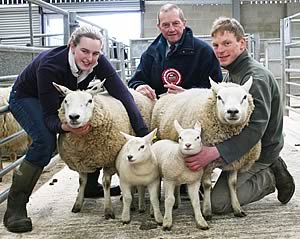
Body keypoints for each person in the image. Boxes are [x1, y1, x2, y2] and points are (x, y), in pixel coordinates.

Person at [3, 25, 148, 233]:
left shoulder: (97, 61)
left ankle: (90, 187)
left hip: (62, 96)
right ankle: (15, 209)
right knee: (45, 141)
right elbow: (49, 117)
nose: (90, 58)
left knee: (94, 126)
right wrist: (65, 127)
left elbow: (123, 95)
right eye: (84, 51)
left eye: (96, 53)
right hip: (29, 96)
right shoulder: (50, 66)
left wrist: (142, 132)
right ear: (72, 46)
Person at [184, 17, 295, 214]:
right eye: (216, 45)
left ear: (242, 43)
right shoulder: (232, 73)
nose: (220, 50)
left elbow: (255, 129)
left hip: (260, 150)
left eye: (227, 43)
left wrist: (214, 152)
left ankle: (270, 173)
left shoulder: (256, 79)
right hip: (243, 144)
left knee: (219, 204)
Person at [128, 3, 223, 100]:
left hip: (192, 111)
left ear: (184, 23)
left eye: (175, 23)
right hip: (159, 110)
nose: (171, 29)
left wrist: (188, 95)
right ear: (159, 27)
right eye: (165, 25)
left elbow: (215, 87)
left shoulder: (204, 52)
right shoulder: (150, 53)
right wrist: (139, 86)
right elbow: (136, 80)